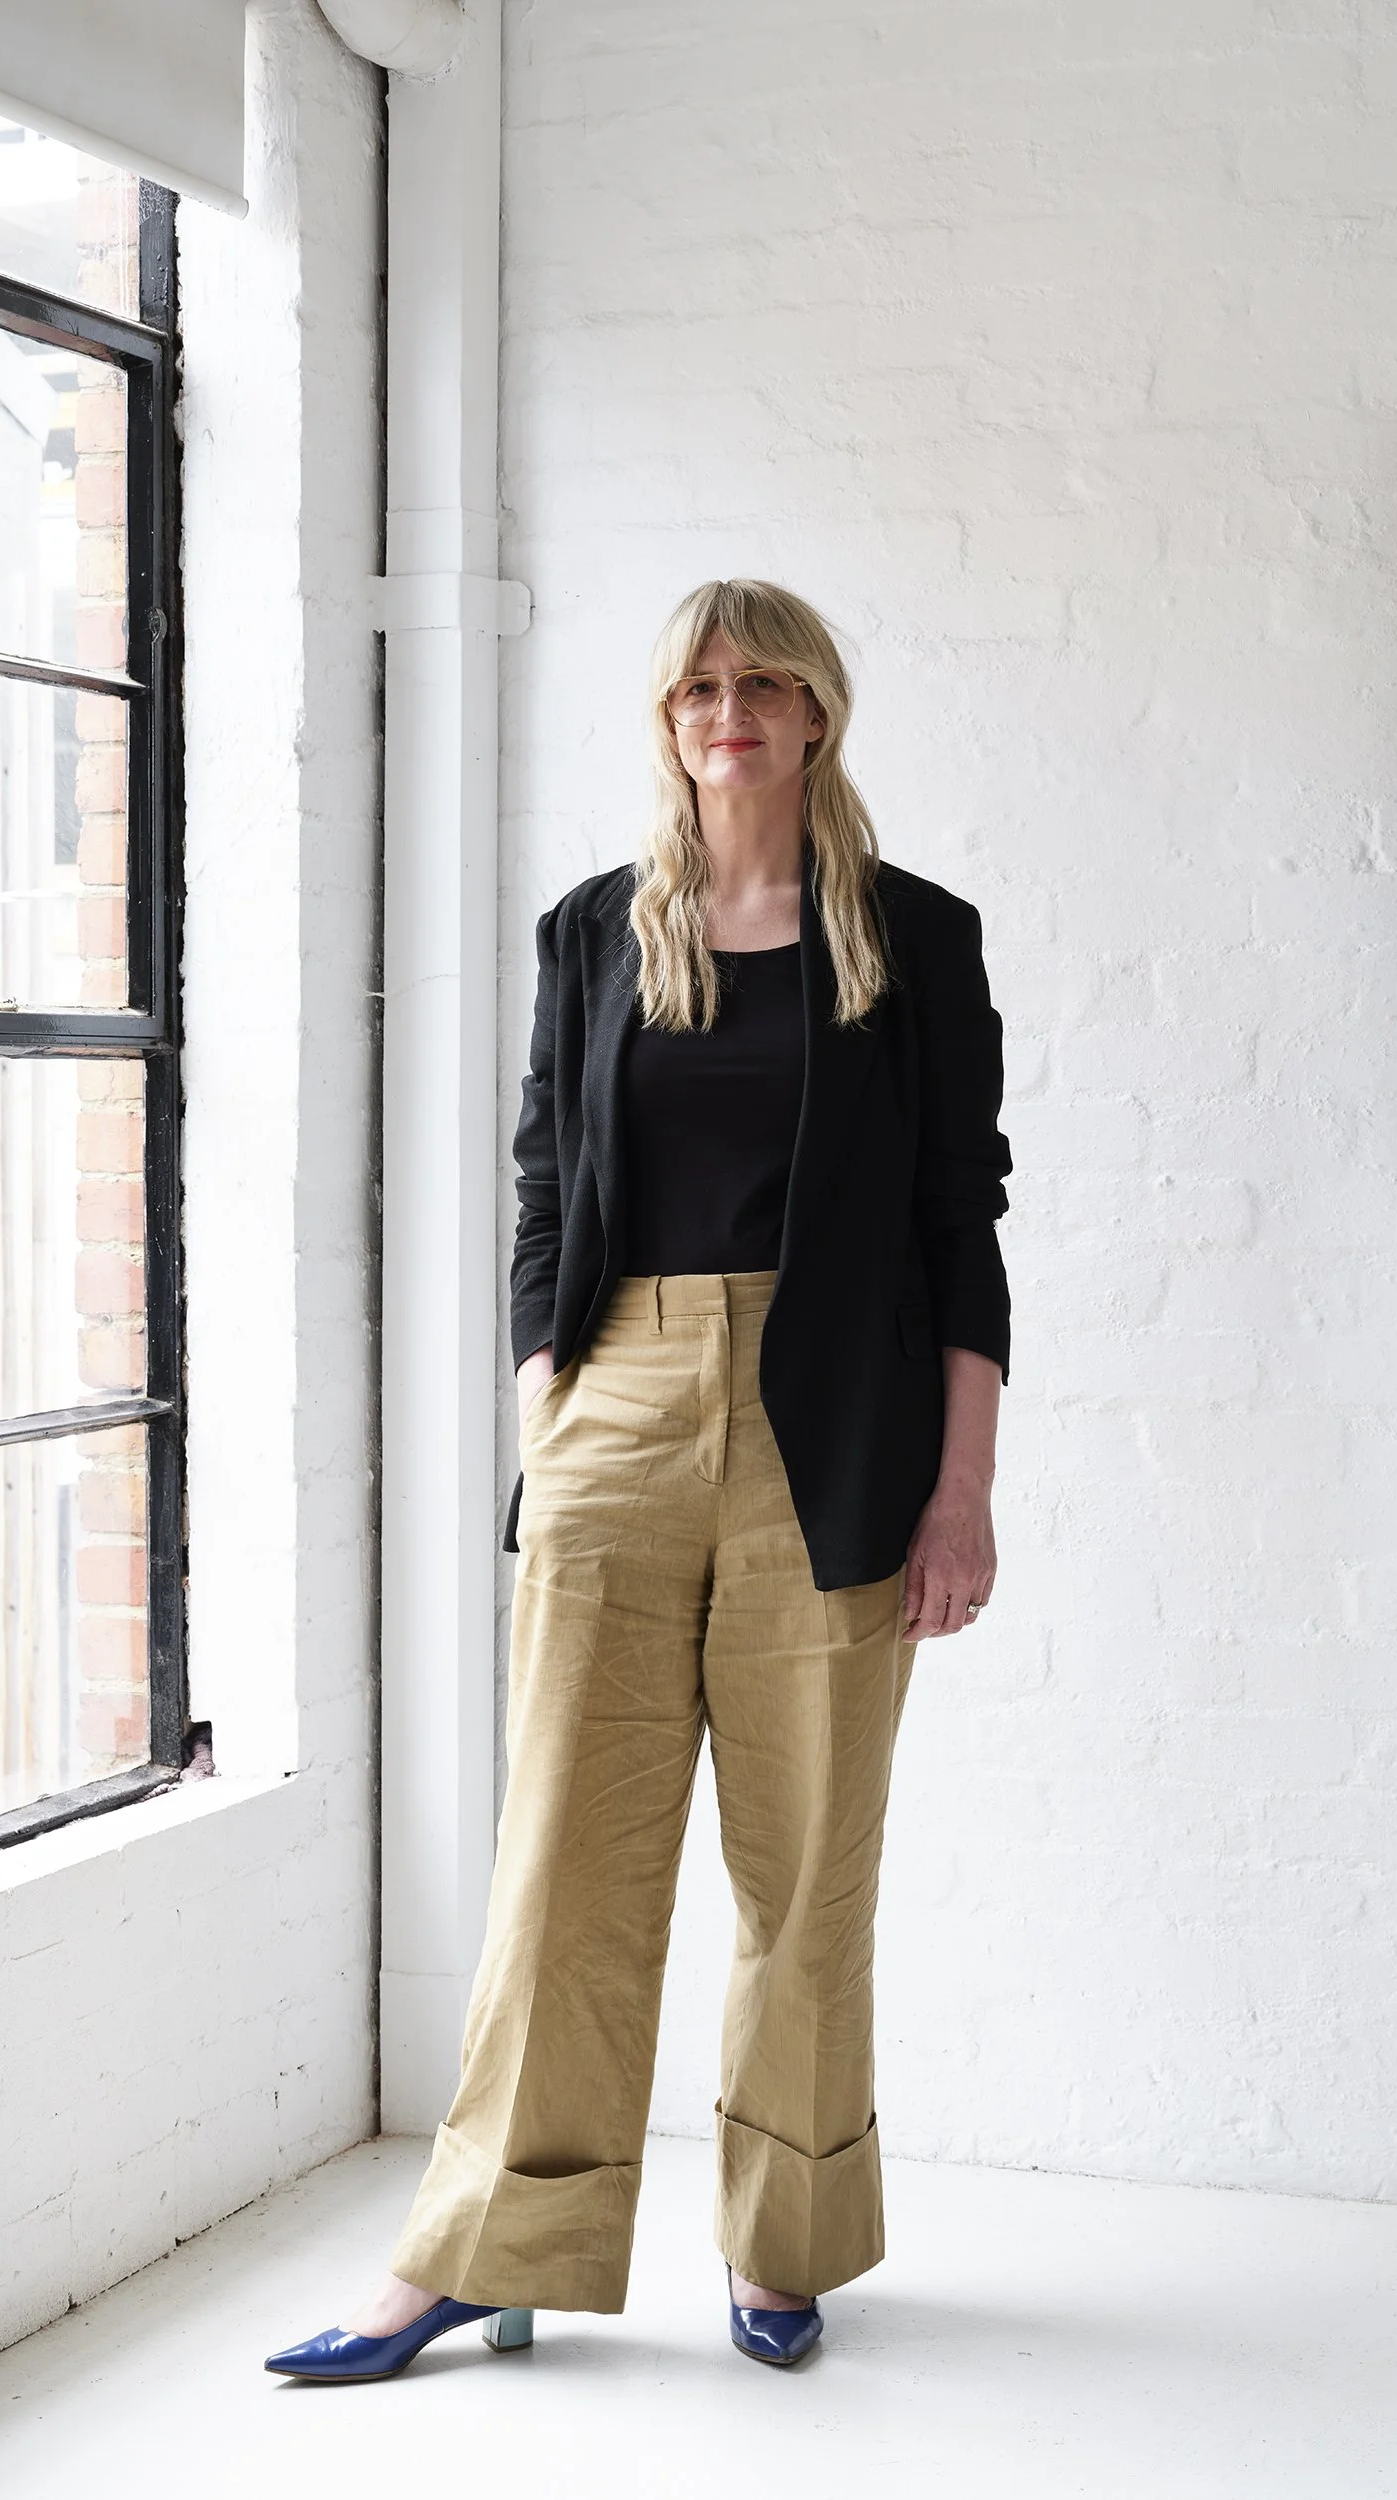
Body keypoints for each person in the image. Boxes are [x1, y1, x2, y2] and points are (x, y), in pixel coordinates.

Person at [266, 578, 1013, 2383]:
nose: (726, 707)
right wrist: (549, 1395)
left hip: (834, 1425)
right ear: (665, 717)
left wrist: (960, 1487)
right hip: (613, 1405)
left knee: (803, 1870)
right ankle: (481, 2251)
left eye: (759, 680)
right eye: (695, 683)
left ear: (816, 710)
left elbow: (957, 1222)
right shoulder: (595, 931)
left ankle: (785, 2244)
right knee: (561, 1866)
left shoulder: (910, 939)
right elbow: (547, 1185)